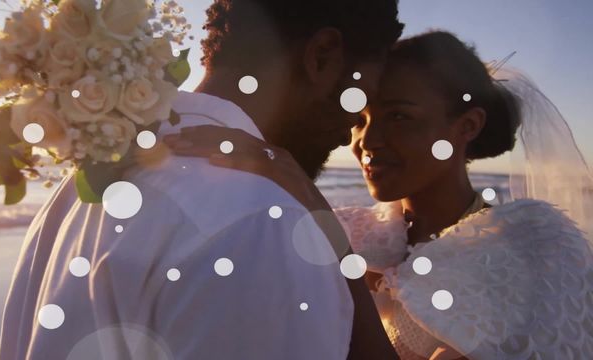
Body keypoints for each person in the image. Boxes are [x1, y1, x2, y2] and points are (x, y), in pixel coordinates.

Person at [0, 1, 404, 359]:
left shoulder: (81, 185)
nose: (356, 127)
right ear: (322, 56)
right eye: (362, 92)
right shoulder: (262, 221)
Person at [163, 31, 593, 359]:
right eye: (359, 118)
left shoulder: (530, 248)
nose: (367, 141)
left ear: (467, 126)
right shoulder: (355, 229)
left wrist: (319, 220)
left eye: (399, 117)